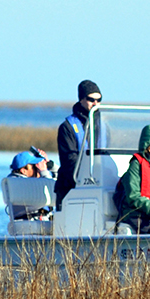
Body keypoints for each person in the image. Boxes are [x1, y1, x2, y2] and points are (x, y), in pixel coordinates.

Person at [55, 79, 101, 208]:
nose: (95, 103)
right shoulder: (67, 127)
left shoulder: (104, 125)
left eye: (99, 100)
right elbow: (69, 160)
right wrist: (86, 179)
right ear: (81, 99)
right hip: (70, 187)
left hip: (98, 185)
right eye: (91, 99)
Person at [4, 149, 55, 221]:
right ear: (23, 171)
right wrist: (44, 172)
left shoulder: (13, 181)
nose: (38, 169)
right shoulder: (24, 185)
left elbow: (60, 182)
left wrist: (50, 165)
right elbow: (53, 191)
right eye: (34, 166)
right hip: (36, 224)